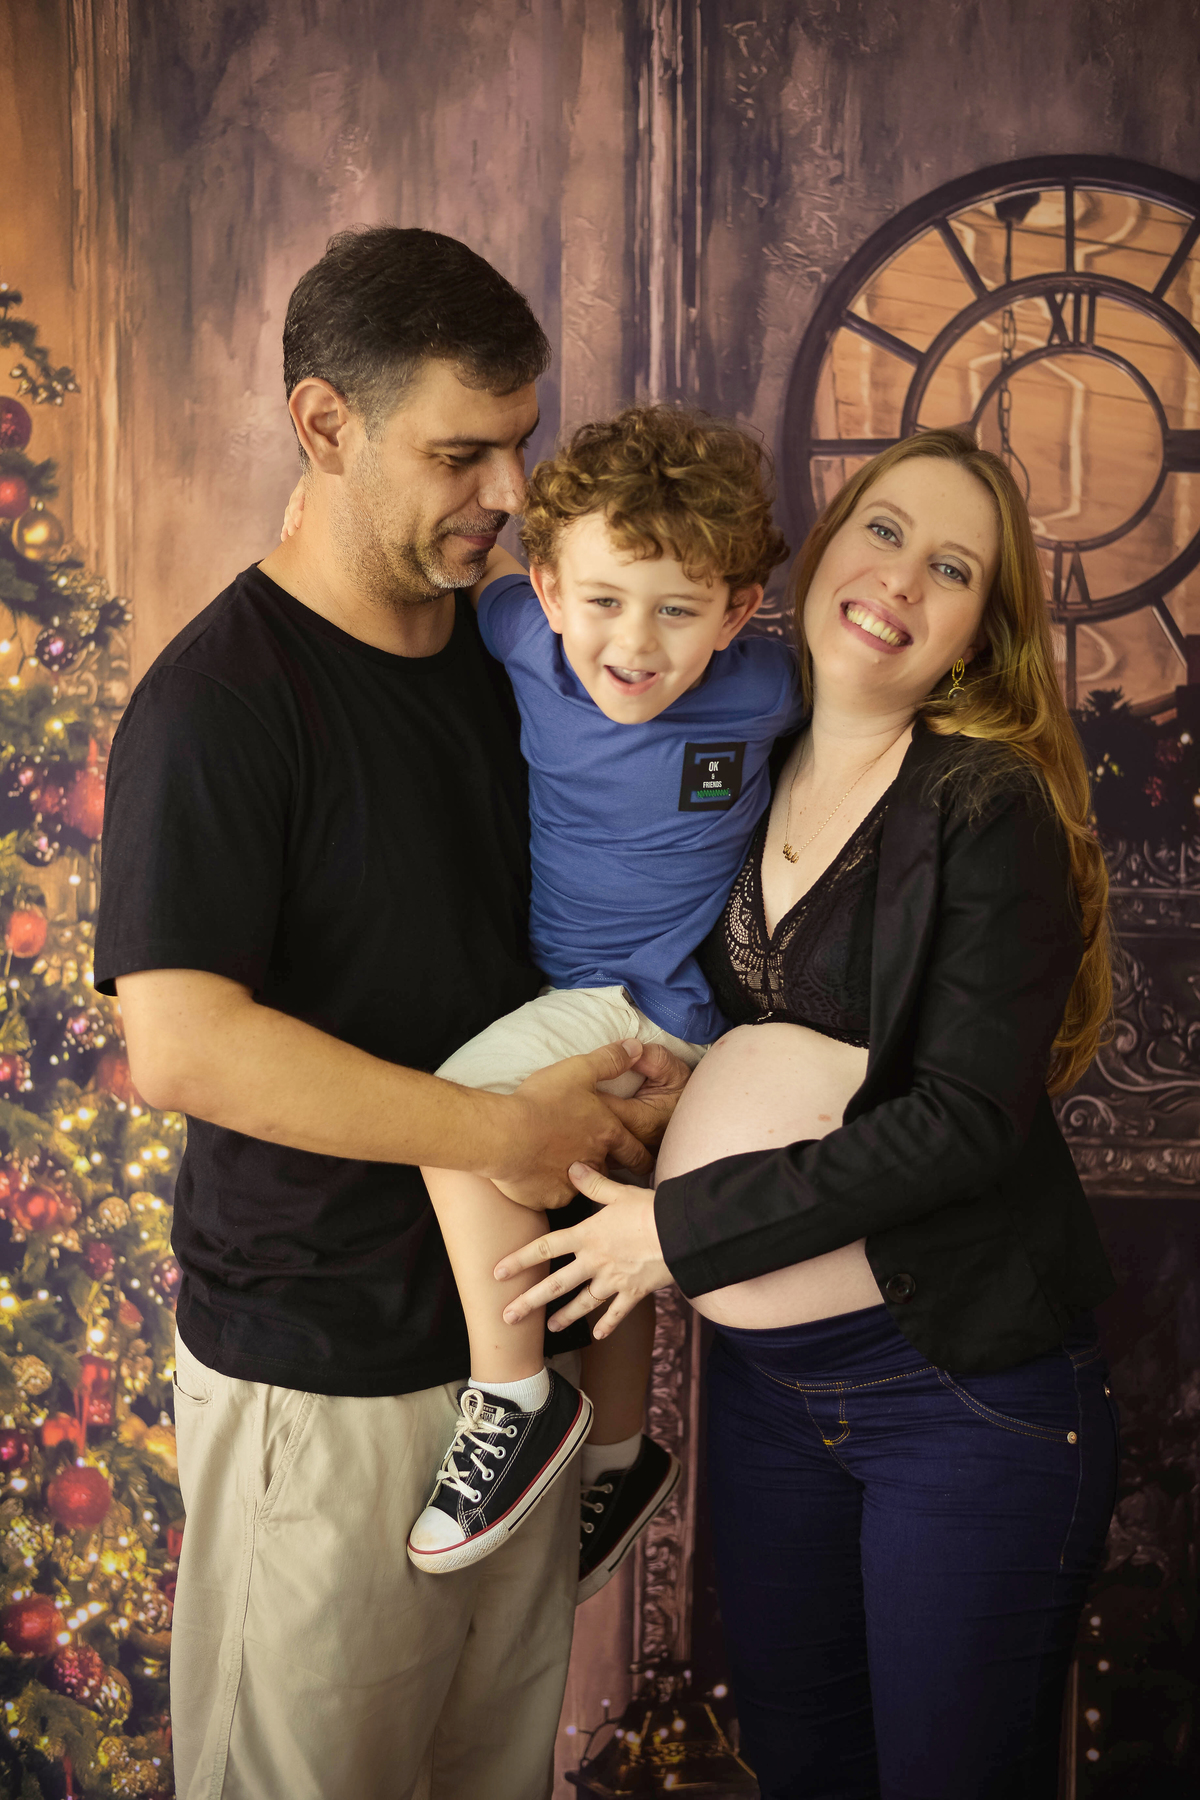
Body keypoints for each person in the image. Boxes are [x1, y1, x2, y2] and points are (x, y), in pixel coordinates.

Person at [93, 226, 687, 1800]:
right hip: (322, 1378)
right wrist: (510, 1129)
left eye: (521, 443)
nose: (504, 489)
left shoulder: (523, 666)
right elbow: (183, 1044)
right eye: (458, 451)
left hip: (527, 1381)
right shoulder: (220, 706)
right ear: (324, 426)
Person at [498, 431, 1119, 1799]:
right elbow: (755, 1030)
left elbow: (962, 1122)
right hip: (774, 1400)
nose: (899, 578)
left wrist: (676, 1230)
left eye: (951, 567)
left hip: (958, 1392)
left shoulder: (984, 801)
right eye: (883, 531)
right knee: (801, 1768)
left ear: (977, 632)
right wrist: (673, 1093)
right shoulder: (748, 747)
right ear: (825, 546)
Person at [409, 405, 799, 1589]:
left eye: (680, 610)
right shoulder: (519, 628)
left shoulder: (776, 684)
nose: (635, 643)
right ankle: (620, 1454)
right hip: (566, 986)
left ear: (736, 613)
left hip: (658, 1007)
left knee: (458, 1105)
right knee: (602, 1206)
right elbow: (455, 579)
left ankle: (513, 1396)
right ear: (548, 583)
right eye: (606, 601)